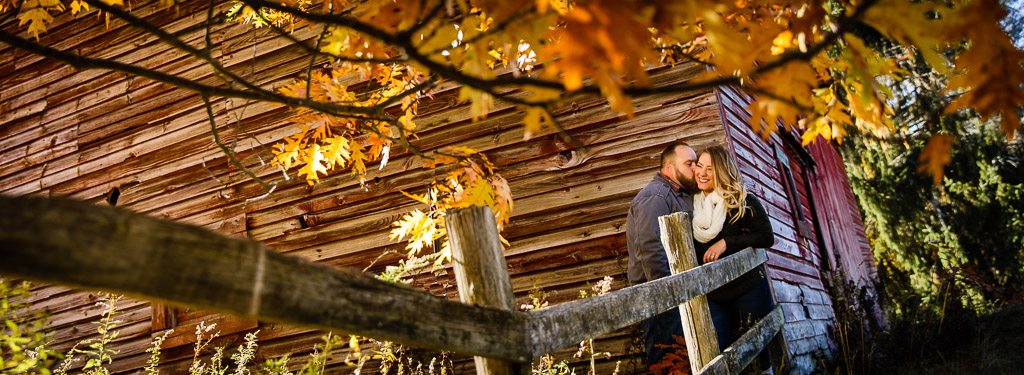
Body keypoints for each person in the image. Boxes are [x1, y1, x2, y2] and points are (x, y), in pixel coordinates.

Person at [692, 145, 776, 374]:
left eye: (710, 168)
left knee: (756, 352)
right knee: (720, 355)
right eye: (699, 166)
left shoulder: (740, 200)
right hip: (714, 294)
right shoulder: (692, 204)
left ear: (722, 171)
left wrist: (727, 243)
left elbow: (767, 237)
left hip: (747, 288)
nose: (702, 173)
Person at [626, 141, 698, 368]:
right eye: (689, 163)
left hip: (683, 293)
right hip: (662, 298)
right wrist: (668, 293)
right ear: (669, 168)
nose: (695, 169)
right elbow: (650, 247)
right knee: (667, 363)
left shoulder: (681, 195)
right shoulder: (655, 196)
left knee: (686, 361)